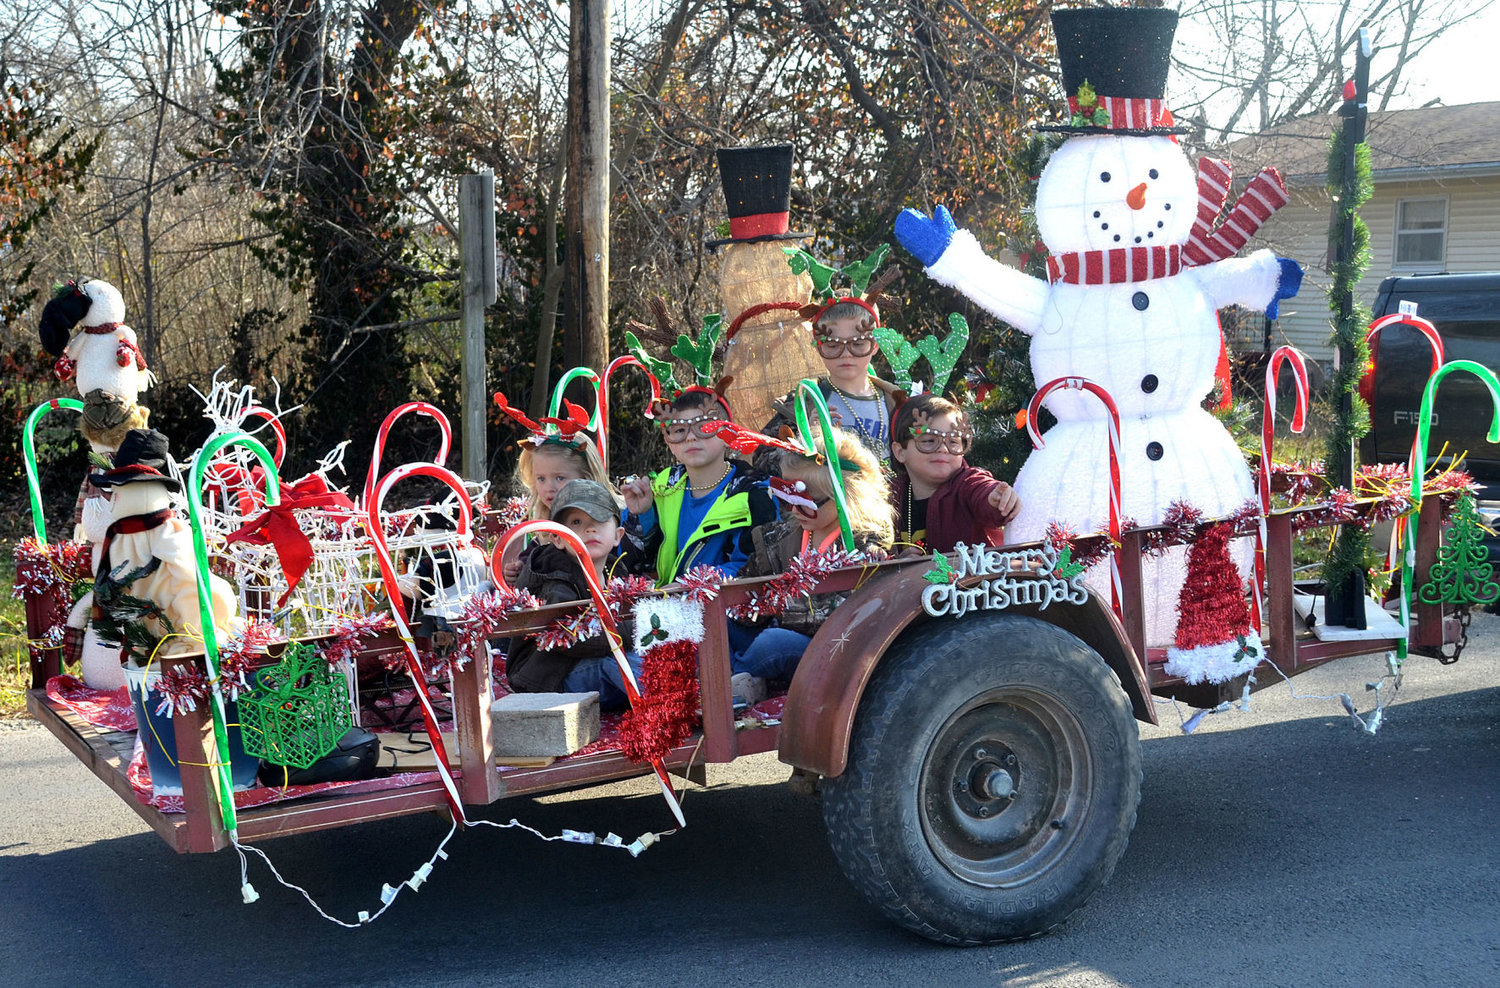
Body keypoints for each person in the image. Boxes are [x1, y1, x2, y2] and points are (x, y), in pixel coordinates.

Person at [730, 429, 894, 705]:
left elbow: (851, 618)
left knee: (774, 643)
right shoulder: (779, 538)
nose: (794, 511)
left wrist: (778, 604)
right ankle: (736, 678)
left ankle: (736, 684)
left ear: (846, 497)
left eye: (806, 503)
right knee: (720, 620)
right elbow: (747, 590)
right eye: (788, 499)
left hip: (830, 652)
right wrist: (748, 608)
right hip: (777, 635)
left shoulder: (865, 547)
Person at [504, 479, 643, 711]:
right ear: (557, 538)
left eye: (599, 521)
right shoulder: (555, 576)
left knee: (653, 654)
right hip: (549, 676)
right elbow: (570, 638)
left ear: (618, 536)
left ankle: (681, 694)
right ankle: (668, 705)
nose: (589, 529)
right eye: (576, 522)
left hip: (589, 667)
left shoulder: (615, 569)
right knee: (617, 662)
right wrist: (635, 630)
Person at [619, 388, 775, 586]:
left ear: (728, 434)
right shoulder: (658, 490)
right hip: (663, 610)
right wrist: (642, 515)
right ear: (669, 444)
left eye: (704, 427)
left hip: (726, 612)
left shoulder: (755, 493)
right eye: (678, 431)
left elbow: (758, 568)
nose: (691, 437)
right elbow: (632, 567)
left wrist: (691, 586)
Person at [760, 298, 903, 470]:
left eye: (857, 344)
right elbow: (764, 465)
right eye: (833, 345)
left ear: (875, 345)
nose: (846, 354)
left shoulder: (898, 403)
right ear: (817, 347)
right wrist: (808, 439)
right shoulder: (802, 404)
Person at [889, 392, 1020, 555]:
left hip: (977, 579)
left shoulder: (968, 484)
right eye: (929, 441)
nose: (943, 449)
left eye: (953, 441)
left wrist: (995, 498)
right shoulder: (889, 497)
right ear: (900, 451)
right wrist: (896, 564)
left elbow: (982, 489)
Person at [499, 435, 612, 583]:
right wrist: (521, 567)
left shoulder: (604, 519)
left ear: (586, 477)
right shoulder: (544, 526)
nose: (549, 488)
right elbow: (535, 554)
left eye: (560, 478)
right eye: (541, 479)